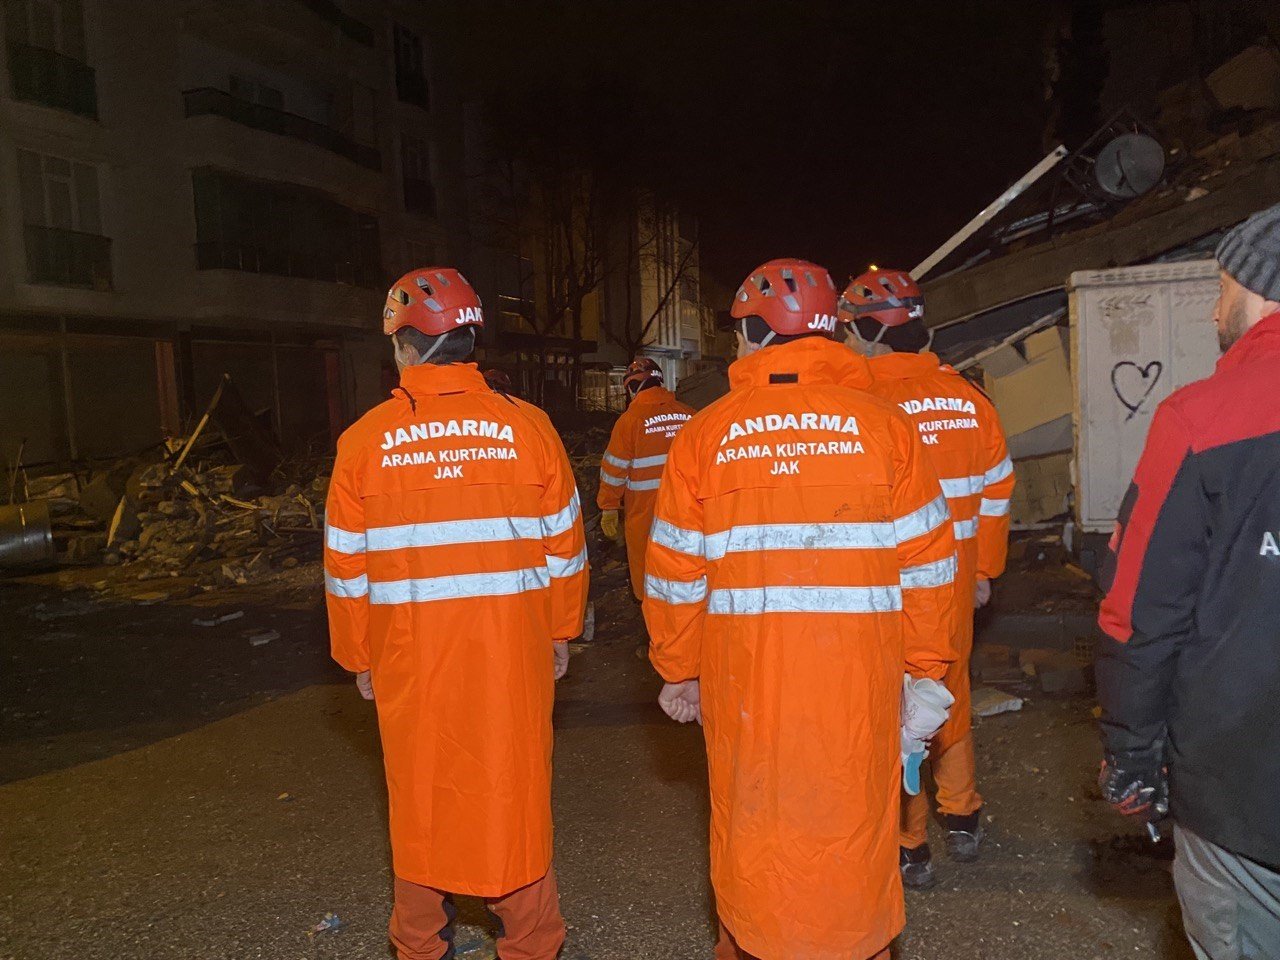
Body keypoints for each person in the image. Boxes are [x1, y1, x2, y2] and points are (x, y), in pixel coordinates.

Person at [644, 257, 959, 960]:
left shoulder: (705, 434)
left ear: (754, 334)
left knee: (754, 832)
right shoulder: (888, 429)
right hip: (861, 687)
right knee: (852, 835)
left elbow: (673, 574)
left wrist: (678, 668)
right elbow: (932, 569)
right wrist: (926, 672)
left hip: (744, 686)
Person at [324, 267, 588, 960]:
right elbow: (567, 549)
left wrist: (358, 656)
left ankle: (419, 944)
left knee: (422, 795)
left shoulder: (364, 442)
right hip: (513, 653)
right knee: (513, 794)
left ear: (404, 346)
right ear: (472, 339)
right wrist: (560, 630)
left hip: (412, 657)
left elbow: (346, 569)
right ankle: (532, 943)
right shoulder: (529, 429)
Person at [1096, 203, 1280, 960]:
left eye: (1221, 287)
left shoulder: (1203, 418)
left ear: (1260, 287)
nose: (1214, 309)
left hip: (1243, 794)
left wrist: (1134, 756)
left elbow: (1139, 613)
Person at [840, 266, 1015, 888]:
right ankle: (963, 815)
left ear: (866, 333)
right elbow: (997, 491)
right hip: (959, 581)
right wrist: (985, 568)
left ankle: (912, 844)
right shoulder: (971, 398)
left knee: (901, 708)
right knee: (950, 693)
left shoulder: (862, 408)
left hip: (893, 588)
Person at [597, 356, 694, 599]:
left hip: (645, 517)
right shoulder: (691, 416)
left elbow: (613, 470)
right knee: (688, 577)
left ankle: (655, 630)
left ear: (631, 388)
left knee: (649, 584)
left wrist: (608, 507)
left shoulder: (629, 422)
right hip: (688, 513)